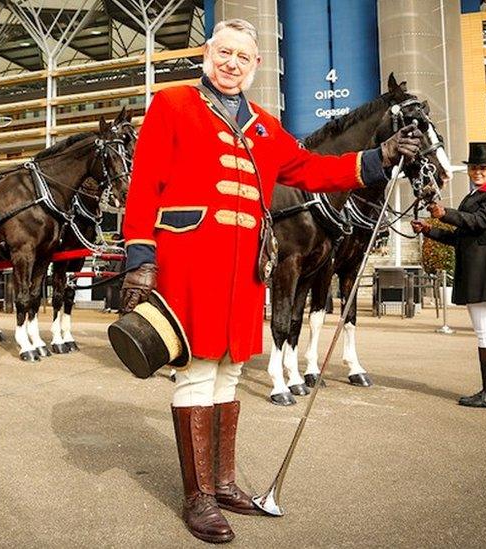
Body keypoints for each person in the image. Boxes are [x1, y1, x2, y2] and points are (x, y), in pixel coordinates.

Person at [120, 18, 422, 544]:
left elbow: (309, 167)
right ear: (207, 56)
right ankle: (198, 498)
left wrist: (379, 158)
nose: (232, 63)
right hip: (188, 257)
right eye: (224, 53)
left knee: (231, 370)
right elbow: (145, 182)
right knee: (195, 371)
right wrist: (140, 256)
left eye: (243, 56)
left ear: (257, 66)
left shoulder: (262, 123)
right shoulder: (172, 105)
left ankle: (223, 482)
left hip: (246, 267)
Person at [411, 142, 486, 409]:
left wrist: (444, 213)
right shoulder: (472, 197)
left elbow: (478, 222)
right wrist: (428, 229)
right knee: (484, 331)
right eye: (474, 168)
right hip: (474, 266)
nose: (478, 172)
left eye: (483, 168)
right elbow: (460, 236)